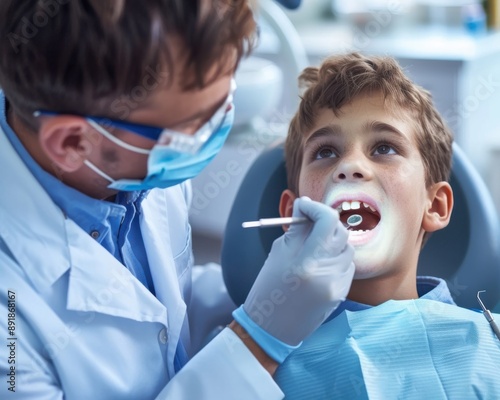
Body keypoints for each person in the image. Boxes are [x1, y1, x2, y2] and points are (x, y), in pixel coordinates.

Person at [0, 1, 356, 399]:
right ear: (72, 142)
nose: (218, 127)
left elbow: (165, 307)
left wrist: (269, 293)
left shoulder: (134, 163)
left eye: (223, 102)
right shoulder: (8, 317)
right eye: (195, 126)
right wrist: (258, 341)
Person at [272, 52, 500, 398]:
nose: (350, 166)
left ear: (435, 206)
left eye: (383, 147)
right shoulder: (256, 365)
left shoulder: (492, 345)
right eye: (325, 152)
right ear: (294, 215)